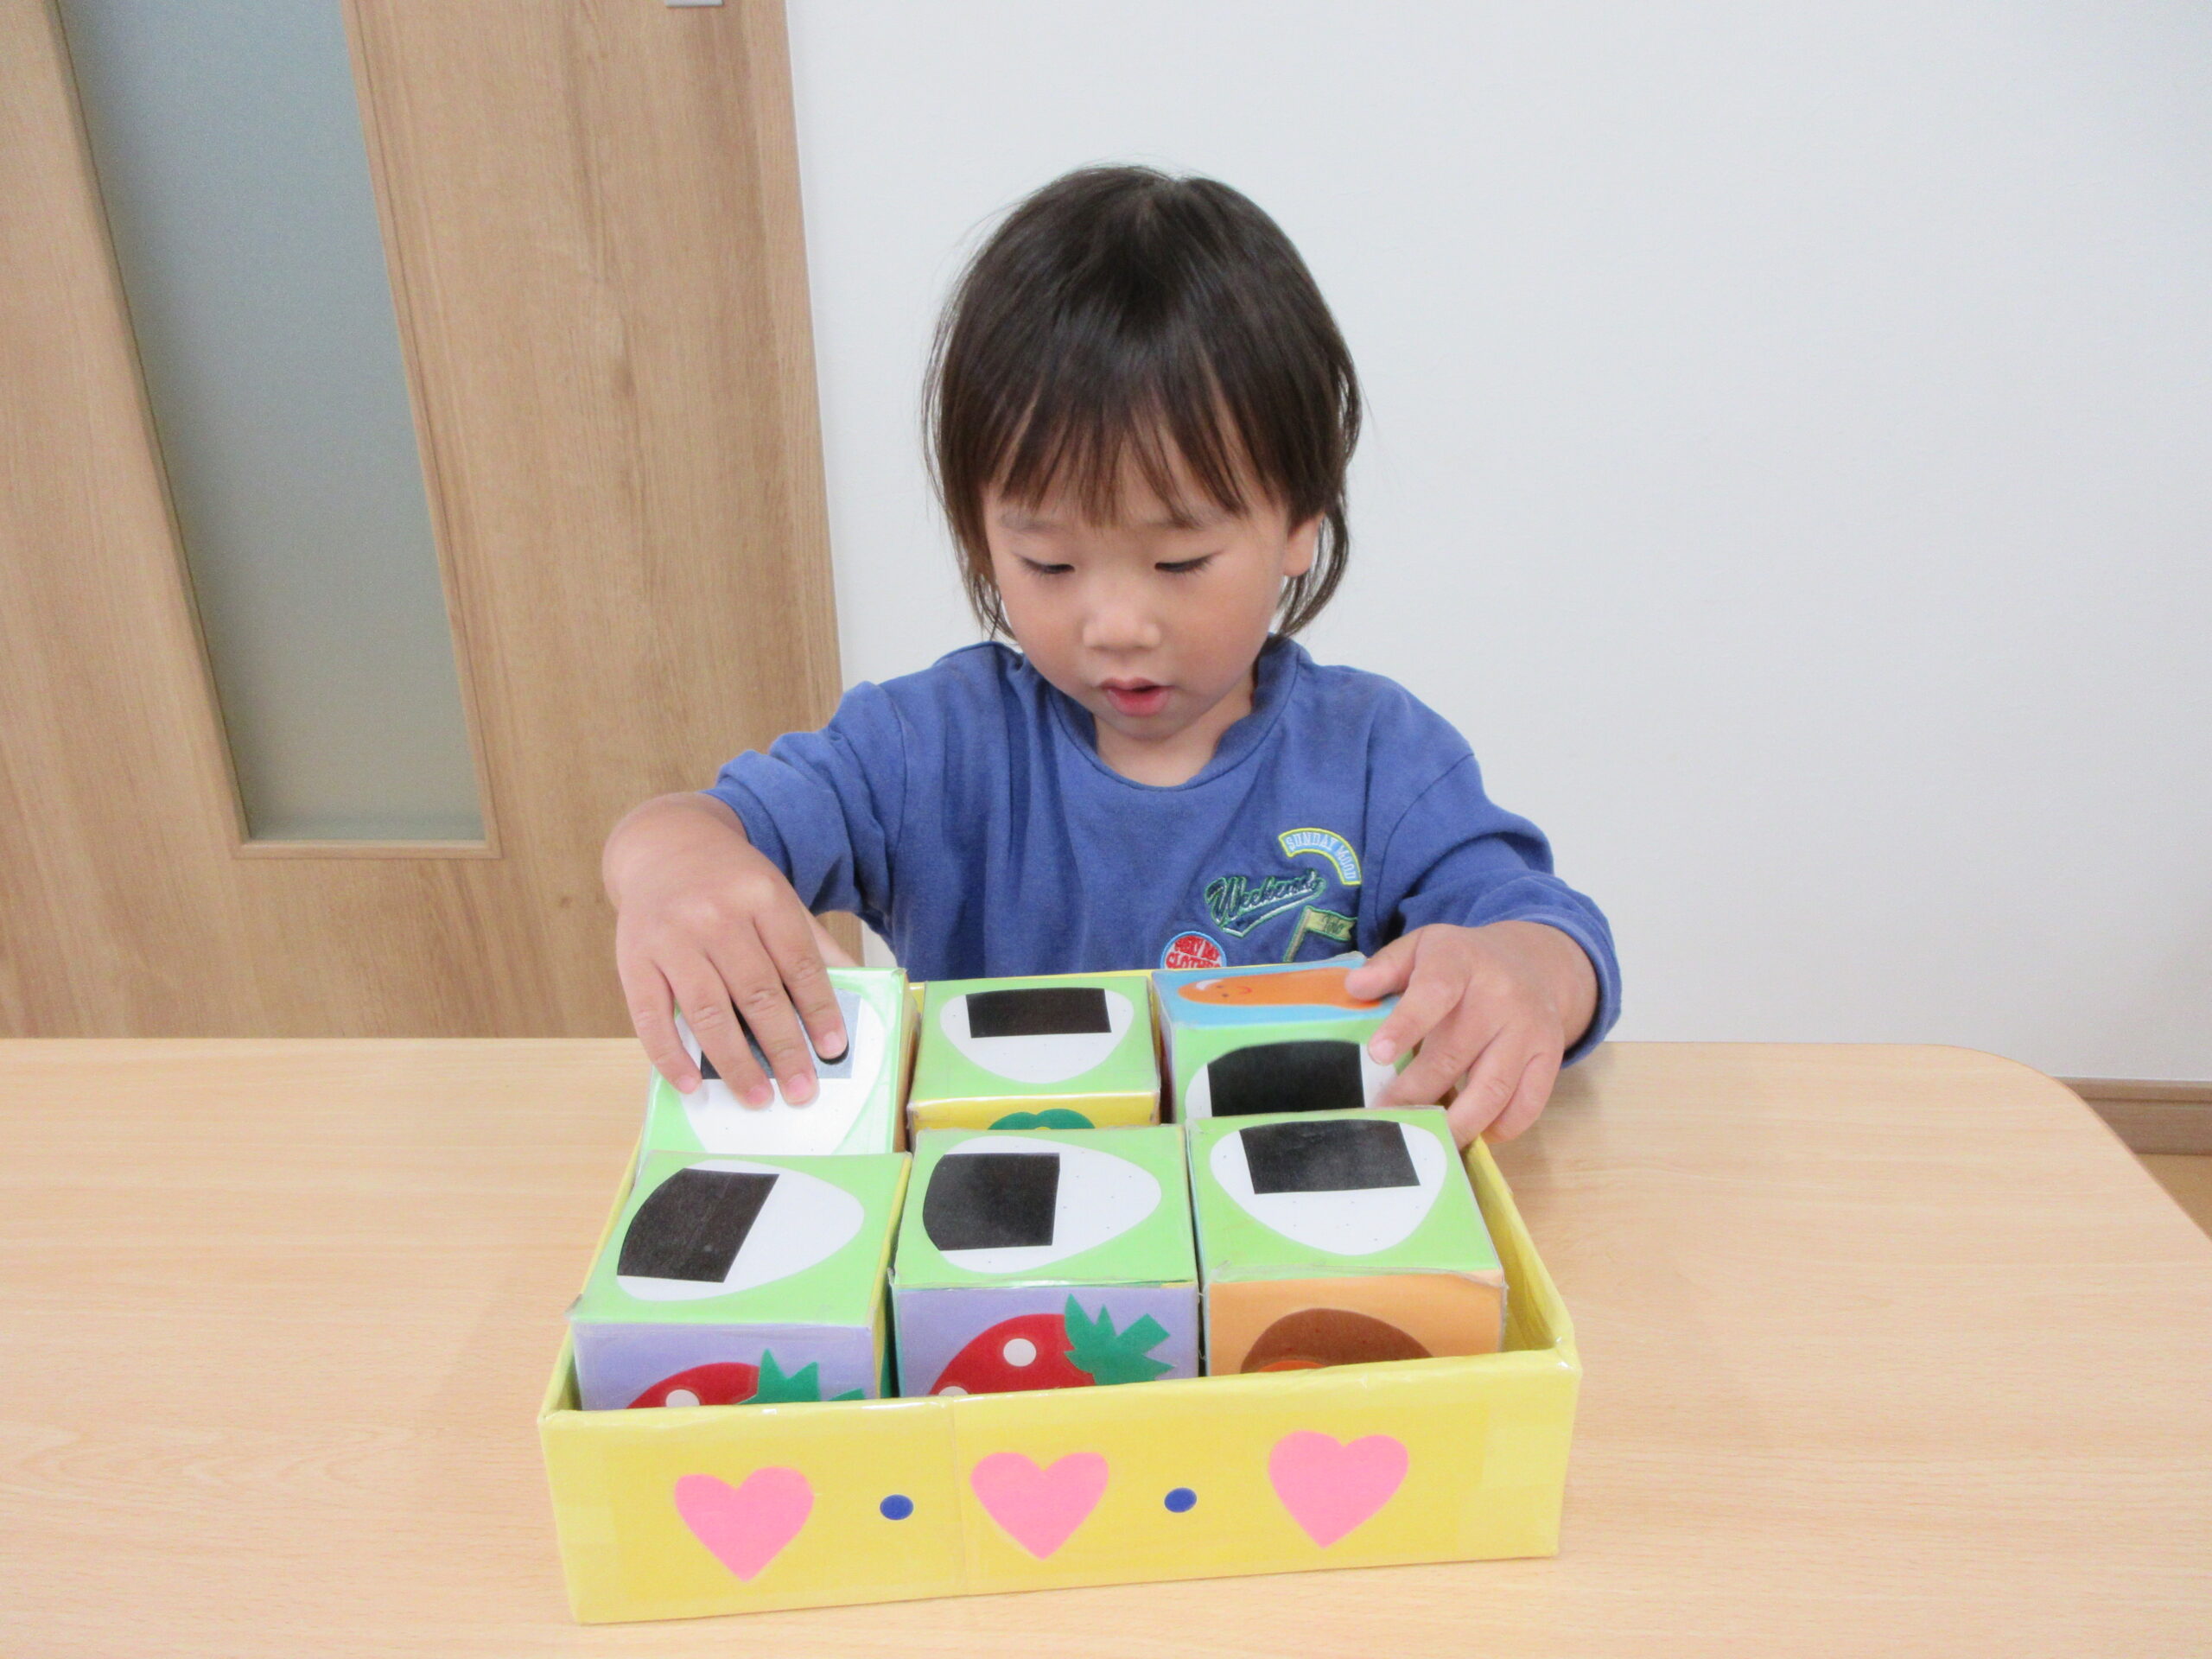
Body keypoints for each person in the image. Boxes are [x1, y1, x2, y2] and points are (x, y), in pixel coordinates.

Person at [601, 166, 1619, 1145]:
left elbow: (1543, 928)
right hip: (1004, 1230)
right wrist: (673, 867)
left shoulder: (1376, 758)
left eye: (1179, 561)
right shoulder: (925, 749)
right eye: (1048, 563)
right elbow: (693, 828)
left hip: (1290, 1220)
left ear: (1301, 521)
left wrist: (1525, 974)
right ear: (980, 536)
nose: (1117, 625)